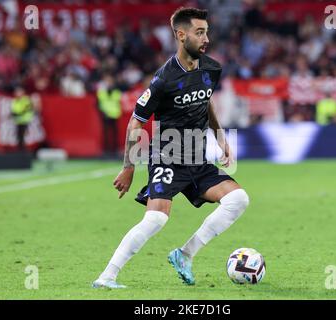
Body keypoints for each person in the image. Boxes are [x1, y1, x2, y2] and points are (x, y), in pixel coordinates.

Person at [93, 7, 250, 289]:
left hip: (197, 159)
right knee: (155, 219)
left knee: (239, 200)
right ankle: (107, 277)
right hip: (167, 157)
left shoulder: (211, 69)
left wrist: (221, 140)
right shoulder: (164, 79)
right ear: (181, 35)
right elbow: (135, 123)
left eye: (207, 32)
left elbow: (206, 104)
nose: (206, 39)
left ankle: (185, 254)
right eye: (199, 32)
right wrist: (128, 167)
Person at [96, 74, 122, 157]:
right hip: (105, 115)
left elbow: (118, 102)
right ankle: (106, 150)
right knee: (106, 134)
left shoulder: (116, 91)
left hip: (114, 115)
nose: (109, 83)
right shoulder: (101, 92)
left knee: (114, 134)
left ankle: (114, 150)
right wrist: (102, 112)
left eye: (110, 81)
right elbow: (98, 103)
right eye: (107, 81)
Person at [11, 86, 34, 151]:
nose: (18, 93)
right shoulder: (15, 100)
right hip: (18, 121)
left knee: (25, 136)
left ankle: (26, 149)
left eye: (19, 91)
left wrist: (18, 114)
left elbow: (27, 109)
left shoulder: (26, 100)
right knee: (18, 136)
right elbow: (14, 110)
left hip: (25, 121)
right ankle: (19, 149)